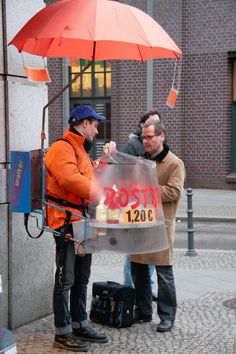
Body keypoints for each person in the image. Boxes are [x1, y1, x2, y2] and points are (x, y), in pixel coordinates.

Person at [44, 105, 108, 352]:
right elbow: (70, 179)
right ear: (82, 123)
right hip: (66, 221)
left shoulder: (80, 149)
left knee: (82, 276)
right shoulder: (62, 147)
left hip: (82, 220)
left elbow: (84, 177)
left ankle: (80, 323)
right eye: (95, 123)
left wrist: (101, 168)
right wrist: (101, 193)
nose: (97, 127)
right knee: (66, 278)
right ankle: (63, 331)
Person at [130, 118, 185, 332]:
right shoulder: (139, 161)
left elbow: (174, 191)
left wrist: (148, 190)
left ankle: (167, 316)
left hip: (161, 224)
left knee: (164, 272)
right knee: (138, 270)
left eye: (150, 137)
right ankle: (143, 311)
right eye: (143, 137)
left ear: (161, 136)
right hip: (139, 222)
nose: (146, 141)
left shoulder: (174, 163)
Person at [121, 110, 161, 301]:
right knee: (133, 254)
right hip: (135, 206)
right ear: (141, 126)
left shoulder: (160, 146)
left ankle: (146, 289)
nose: (155, 125)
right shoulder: (132, 145)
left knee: (150, 251)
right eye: (152, 122)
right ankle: (130, 290)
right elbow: (123, 175)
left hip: (151, 208)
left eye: (158, 122)